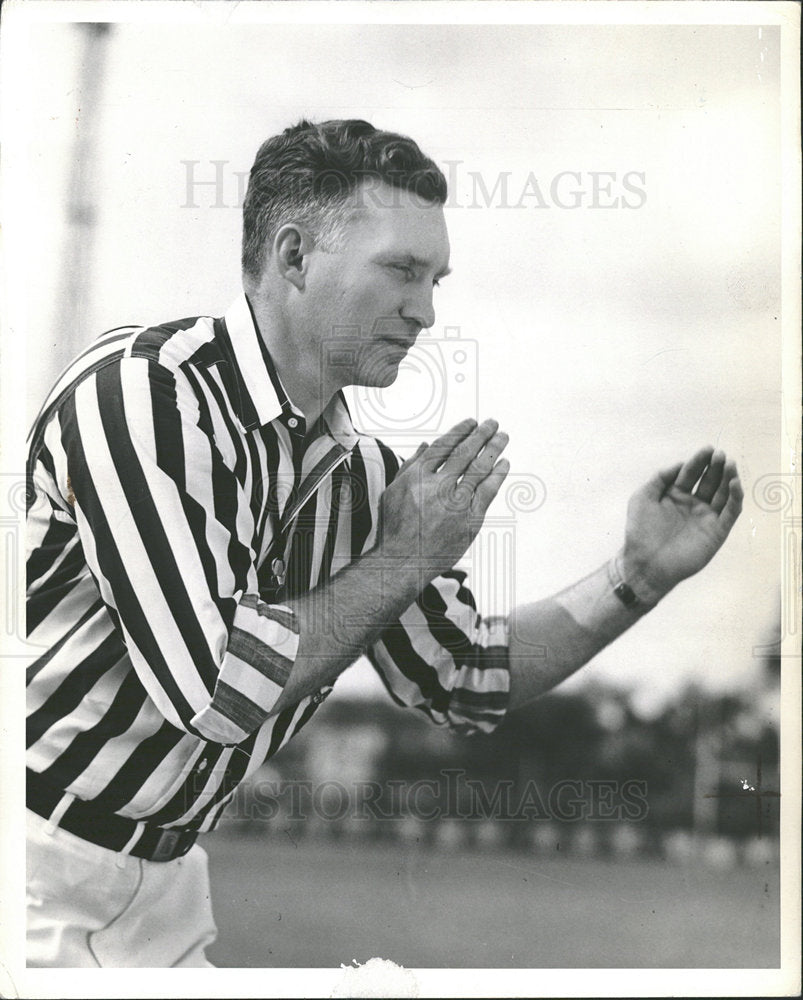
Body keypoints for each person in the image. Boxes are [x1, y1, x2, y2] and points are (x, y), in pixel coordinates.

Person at [25, 119, 743, 967]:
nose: (426, 311)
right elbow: (216, 687)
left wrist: (636, 576)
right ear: (294, 257)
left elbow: (466, 673)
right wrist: (406, 556)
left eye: (435, 280)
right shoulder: (143, 396)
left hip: (167, 892)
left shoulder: (362, 476)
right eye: (402, 270)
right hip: (30, 866)